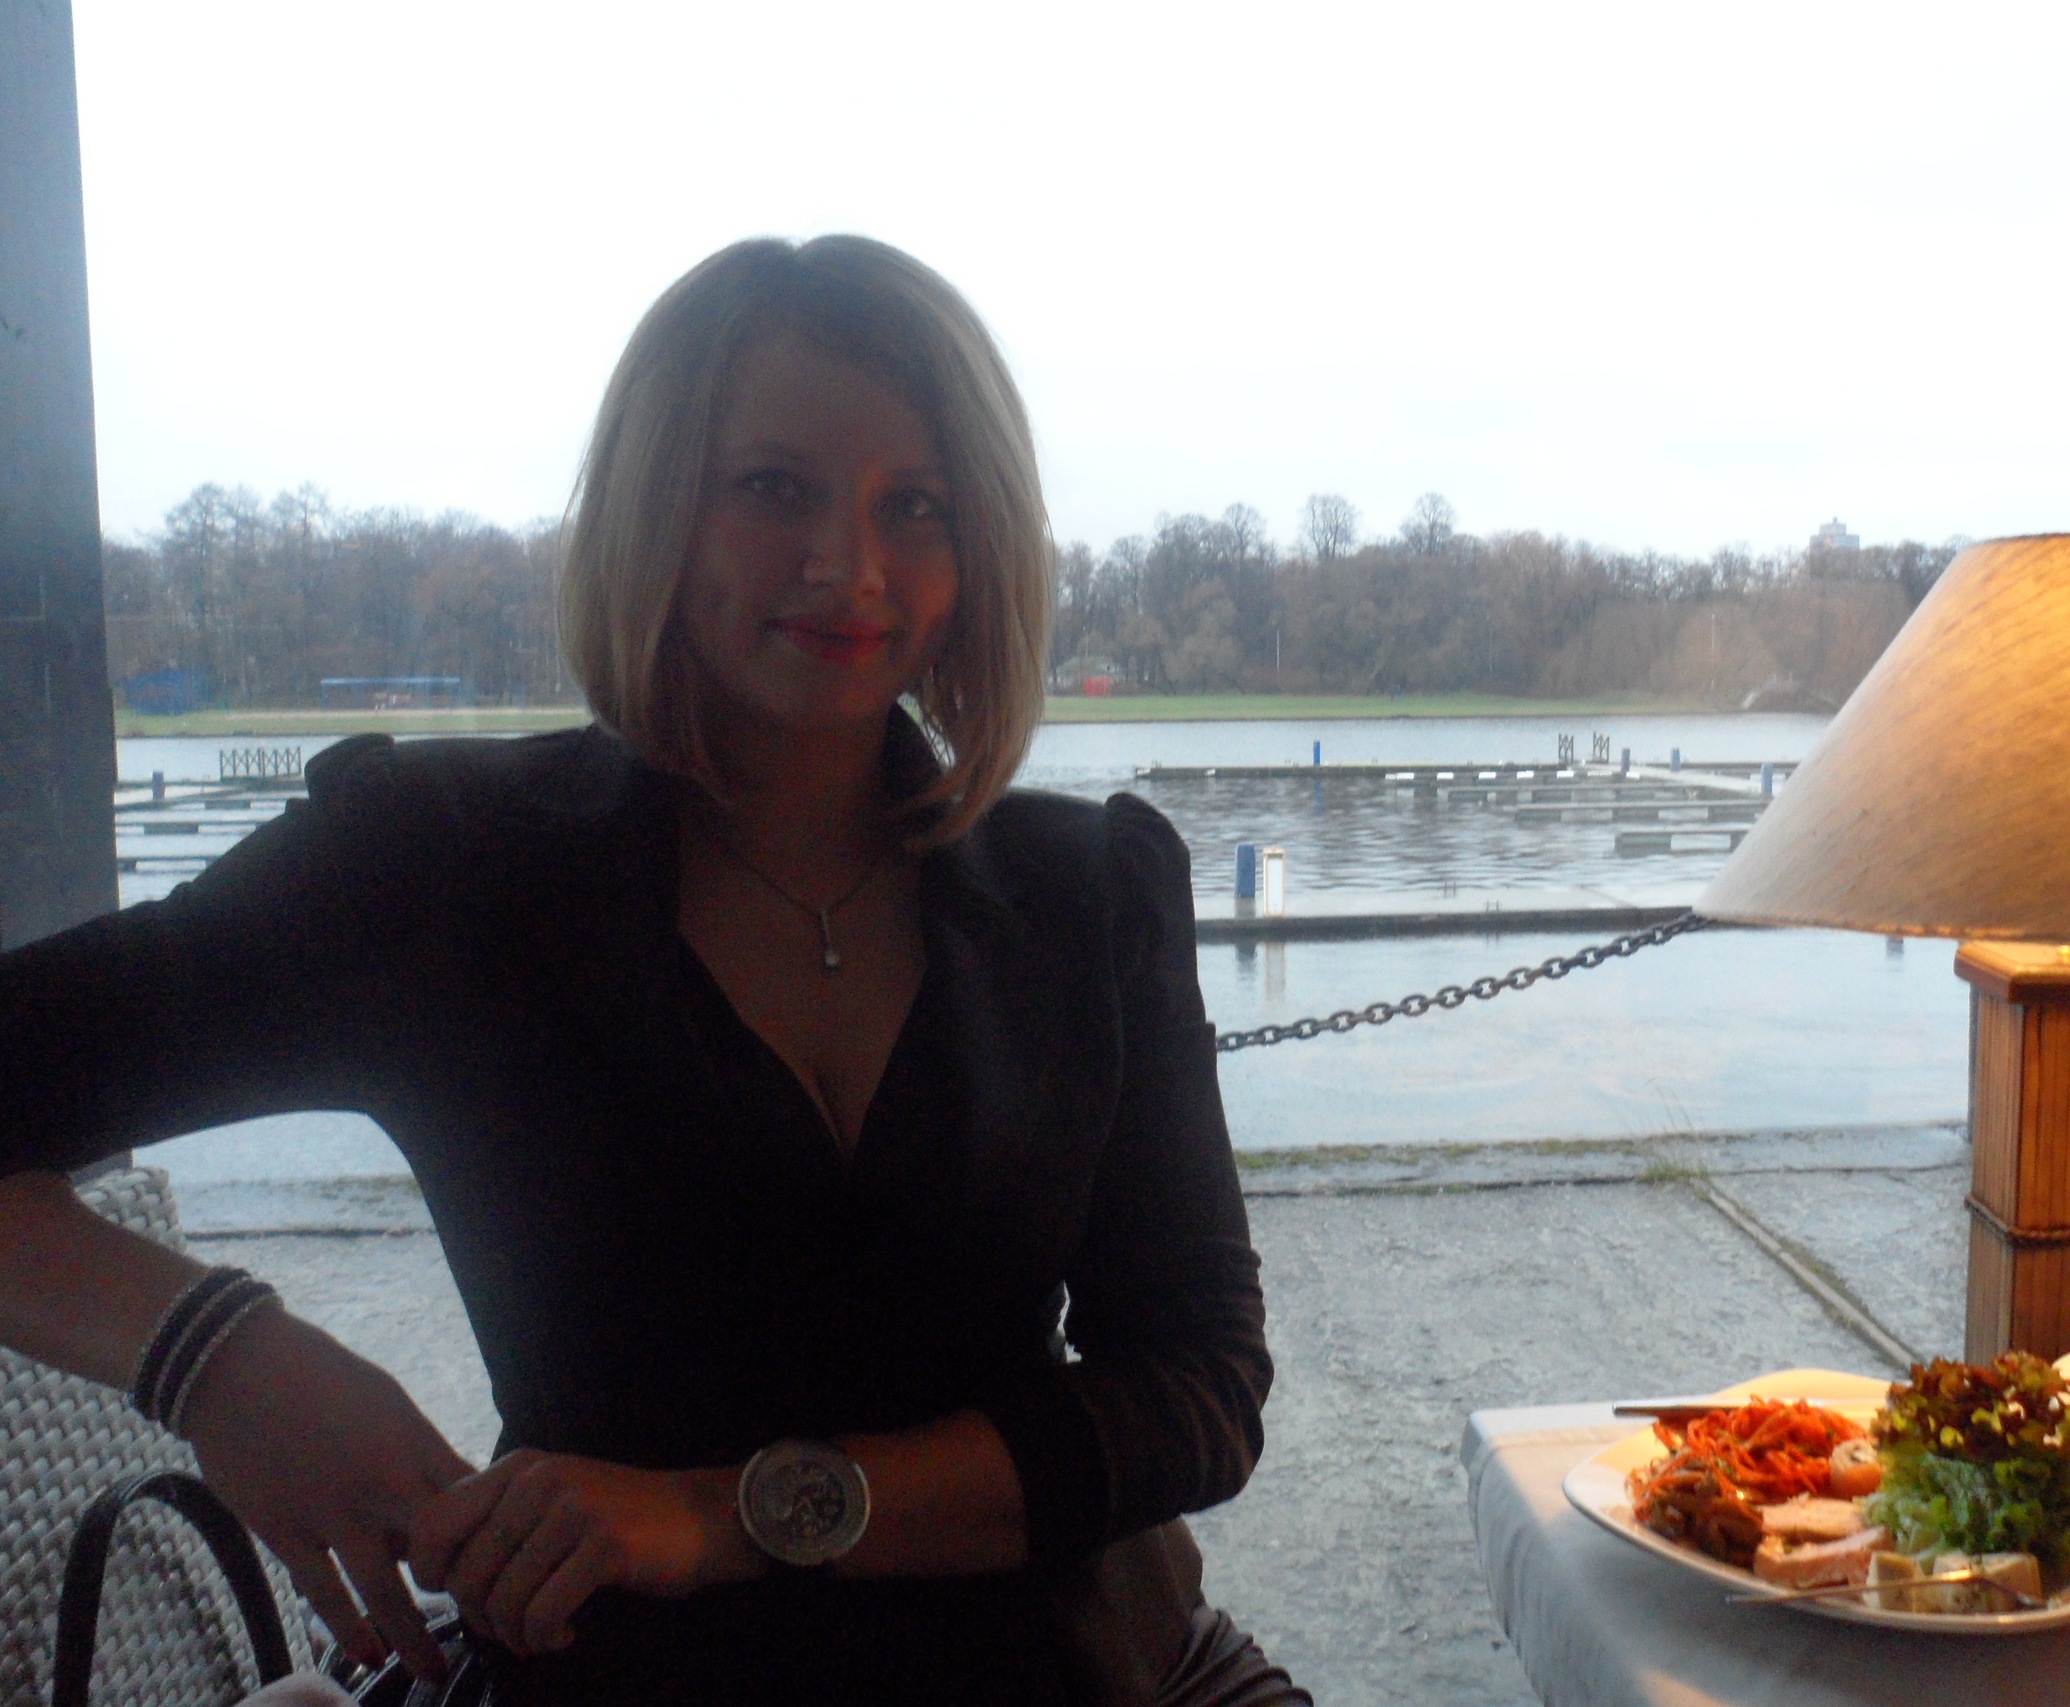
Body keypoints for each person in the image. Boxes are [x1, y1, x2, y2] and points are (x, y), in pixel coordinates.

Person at [0, 236, 1303, 1706]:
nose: (849, 565)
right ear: (654, 505)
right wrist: (210, 1353)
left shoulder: (1091, 886)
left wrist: (726, 1517)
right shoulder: (439, 866)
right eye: (774, 487)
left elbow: (1198, 1391)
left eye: (916, 504)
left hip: (1106, 1669)